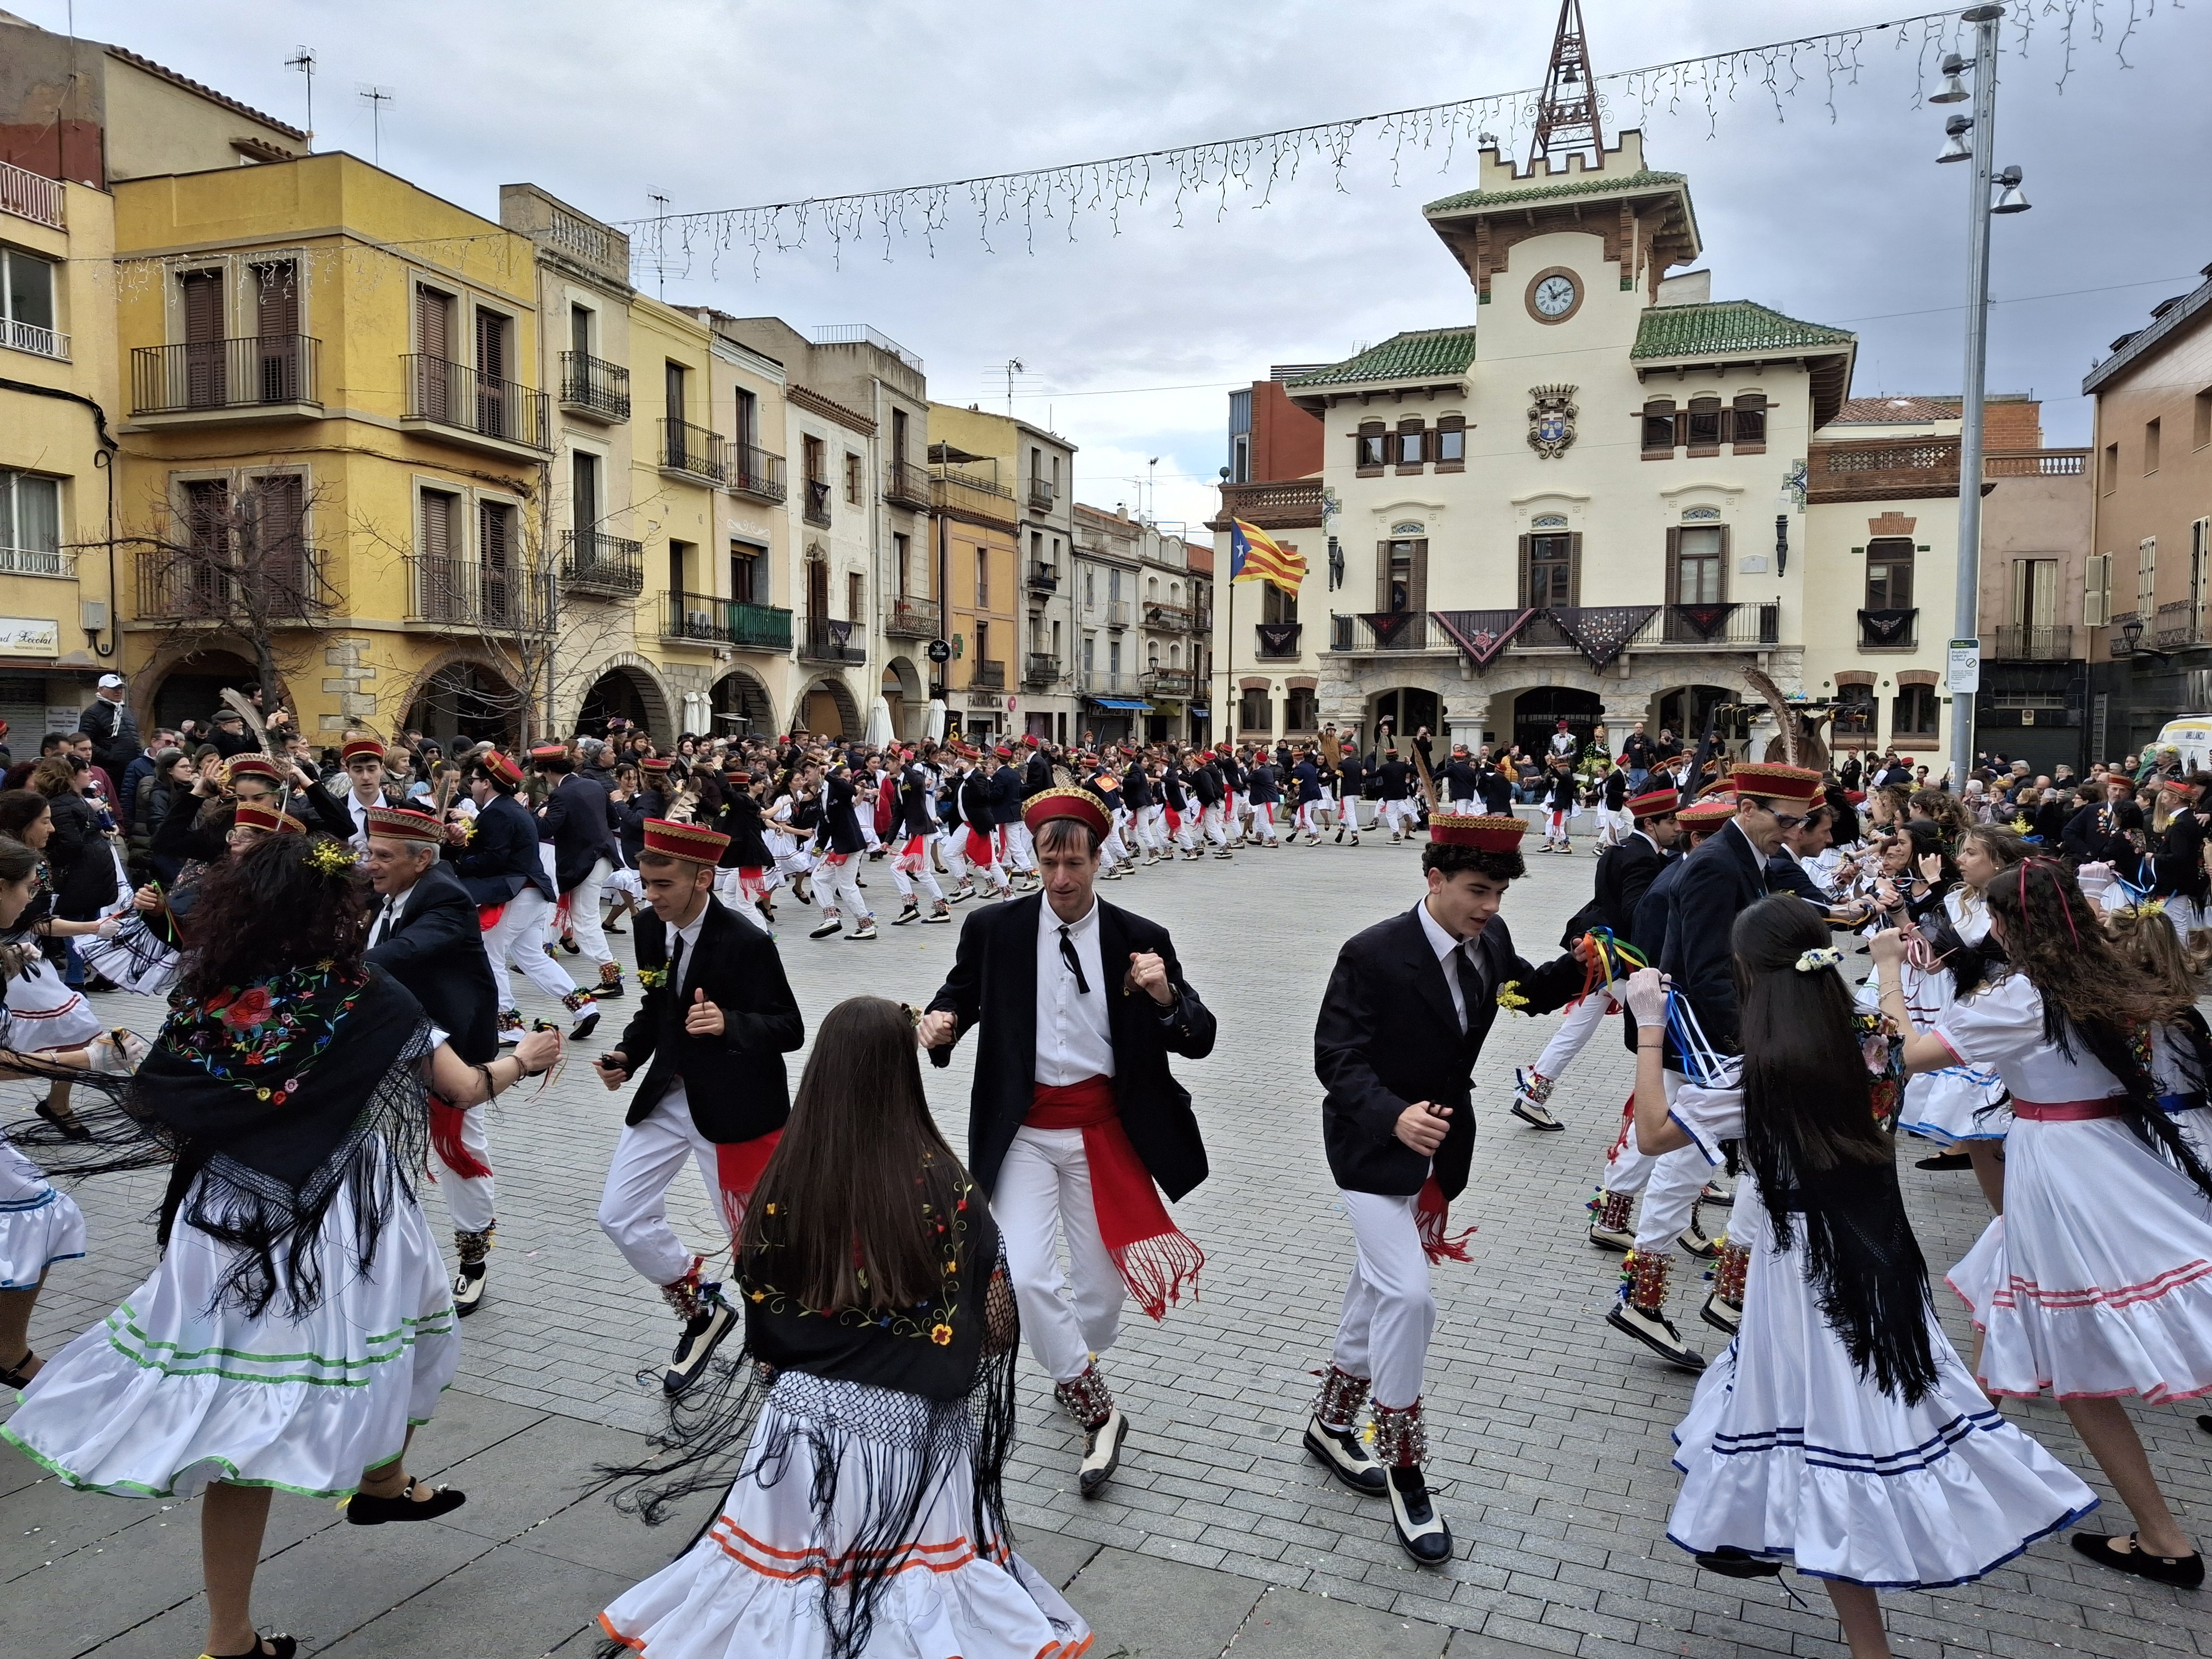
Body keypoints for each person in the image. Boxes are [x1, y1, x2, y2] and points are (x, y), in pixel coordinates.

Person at [2, 833, 562, 1659]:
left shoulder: (214, 991)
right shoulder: (368, 994)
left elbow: (165, 1098)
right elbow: (463, 1087)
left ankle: (338, 1525)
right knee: (408, 1338)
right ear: (333, 912)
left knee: (244, 1400)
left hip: (220, 1215)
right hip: (341, 1219)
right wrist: (528, 1056)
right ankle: (359, 1501)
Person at [1621, 906, 2096, 1658]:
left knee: (1834, 1433)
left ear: (1751, 977)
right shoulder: (1870, 1042)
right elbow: (1903, 1034)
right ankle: (1764, 1540)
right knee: (1839, 1415)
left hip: (1805, 1270)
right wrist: (1886, 967)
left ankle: (1865, 1640)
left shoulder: (1764, 1075)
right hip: (1878, 1249)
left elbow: (1652, 1134)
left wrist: (1649, 1024)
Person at [595, 996, 1090, 1659]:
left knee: (791, 1571)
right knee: (908, 1580)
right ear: (902, 1075)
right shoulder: (946, 1184)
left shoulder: (787, 1177)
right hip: (911, 1432)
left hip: (797, 1425)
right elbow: (997, 1330)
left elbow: (762, 1302)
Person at [1872, 861, 2212, 1590]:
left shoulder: (2027, 996)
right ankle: (1958, 1439)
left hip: (2065, 1172)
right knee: (2006, 1292)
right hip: (2116, 1156)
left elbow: (1908, 1056)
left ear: (2007, 924)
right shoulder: (2102, 969)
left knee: (2075, 1359)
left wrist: (1890, 977)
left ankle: (2164, 1538)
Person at [917, 786, 1215, 1496]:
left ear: (1097, 857)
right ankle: (1096, 1407)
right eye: (1048, 861)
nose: (1060, 878)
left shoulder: (1140, 938)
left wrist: (1166, 995)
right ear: (1033, 856)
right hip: (1022, 1133)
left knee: (1100, 1296)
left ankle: (1074, 1357)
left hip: (1105, 1134)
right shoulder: (996, 929)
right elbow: (961, 993)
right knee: (1023, 1275)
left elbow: (1200, 1036)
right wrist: (941, 1022)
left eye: (1073, 862)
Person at [1308, 813, 1587, 1562]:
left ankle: (1330, 1426)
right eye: (1477, 891)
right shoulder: (1371, 952)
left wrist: (1586, 963)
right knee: (1407, 1296)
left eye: (1498, 892)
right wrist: (1394, 1117)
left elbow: (1520, 994)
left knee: (1375, 1289)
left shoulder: (1488, 941)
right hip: (1371, 1149)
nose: (1491, 907)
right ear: (1433, 880)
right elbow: (1336, 1058)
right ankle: (1403, 1462)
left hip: (1442, 1150)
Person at [1613, 762, 1824, 1368]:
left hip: (1730, 1040)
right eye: (1783, 821)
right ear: (1749, 806)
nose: (1790, 832)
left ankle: (1730, 1291)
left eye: (1798, 823)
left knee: (1758, 1162)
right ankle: (1644, 1298)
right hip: (1709, 1043)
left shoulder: (1748, 859)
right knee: (1683, 1165)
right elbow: (1707, 971)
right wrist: (1756, 1038)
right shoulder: (1713, 865)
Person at [594, 818, 806, 1396]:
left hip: (735, 1109)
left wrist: (729, 1023)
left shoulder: (746, 940)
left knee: (753, 1241)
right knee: (619, 1216)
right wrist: (626, 1055)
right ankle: (702, 1309)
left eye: (663, 884)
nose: (650, 895)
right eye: (645, 882)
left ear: (703, 880)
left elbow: (790, 1028)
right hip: (668, 1095)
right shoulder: (646, 927)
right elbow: (654, 1008)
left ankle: (780, 1344)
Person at [363, 805, 505, 1316]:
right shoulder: (385, 889)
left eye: (382, 856)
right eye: (369, 852)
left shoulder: (446, 896)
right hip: (388, 1039)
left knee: (458, 1154)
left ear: (422, 859)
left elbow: (405, 950)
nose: (370, 864)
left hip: (448, 1046)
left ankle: (473, 1261)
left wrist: (335, 968)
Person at [1510, 784, 1682, 1131]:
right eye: (1671, 822)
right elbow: (1638, 913)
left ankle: (1533, 1095)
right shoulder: (1643, 859)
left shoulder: (1618, 850)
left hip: (1604, 960)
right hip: (1623, 961)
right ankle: (1661, 1133)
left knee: (1577, 1026)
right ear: (1651, 825)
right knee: (1666, 1041)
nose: (1678, 829)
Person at [443, 750, 597, 1043]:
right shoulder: (509, 809)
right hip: (532, 894)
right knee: (531, 956)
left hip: (517, 893)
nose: (471, 785)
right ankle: (583, 1006)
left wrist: (458, 862)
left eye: (474, 780)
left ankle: (508, 1024)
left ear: (486, 783)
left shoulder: (498, 812)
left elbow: (494, 858)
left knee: (491, 953)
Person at [533, 742, 626, 1001]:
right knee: (571, 913)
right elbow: (613, 821)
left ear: (550, 772)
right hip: (602, 857)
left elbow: (546, 829)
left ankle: (611, 978)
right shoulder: (593, 784)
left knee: (585, 922)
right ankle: (546, 950)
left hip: (585, 863)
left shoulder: (561, 794)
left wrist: (534, 814)